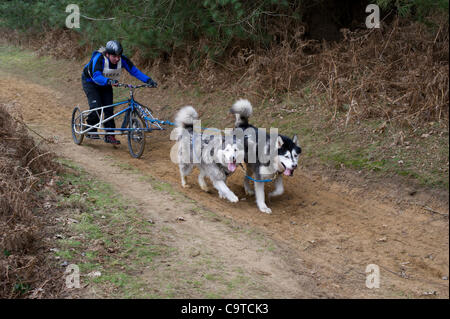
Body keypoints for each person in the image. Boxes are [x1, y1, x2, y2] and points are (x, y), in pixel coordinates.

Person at [81, 40, 157, 144]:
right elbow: (96, 76)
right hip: (91, 83)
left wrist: (148, 80)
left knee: (109, 109)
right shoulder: (99, 58)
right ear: (107, 54)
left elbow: (134, 71)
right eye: (114, 56)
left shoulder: (122, 60)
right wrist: (109, 81)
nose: (117, 59)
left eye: (119, 56)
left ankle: (110, 135)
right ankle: (90, 128)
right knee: (97, 107)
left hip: (106, 84)